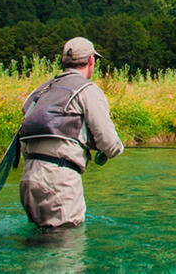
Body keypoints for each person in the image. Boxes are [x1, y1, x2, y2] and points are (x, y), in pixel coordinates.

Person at [18, 37, 124, 228]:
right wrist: (116, 149)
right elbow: (108, 141)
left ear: (64, 61)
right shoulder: (87, 90)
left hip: (28, 179)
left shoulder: (41, 90)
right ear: (91, 61)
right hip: (59, 180)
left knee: (38, 246)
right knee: (66, 245)